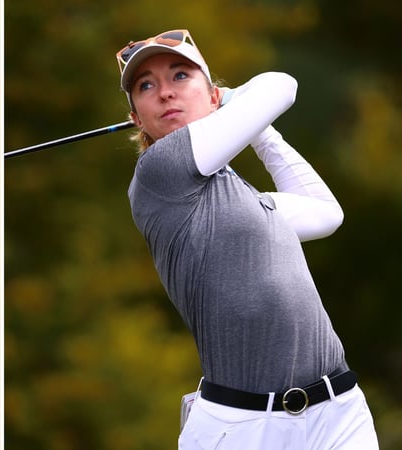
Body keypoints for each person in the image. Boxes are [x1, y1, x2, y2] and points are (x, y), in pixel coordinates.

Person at [117, 29, 378, 448]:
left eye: (180, 76)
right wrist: (238, 102)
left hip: (338, 411)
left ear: (212, 95)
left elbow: (326, 213)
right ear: (137, 119)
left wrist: (261, 132)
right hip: (243, 427)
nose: (165, 93)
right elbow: (281, 86)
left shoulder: (244, 200)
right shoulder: (159, 172)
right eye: (146, 86)